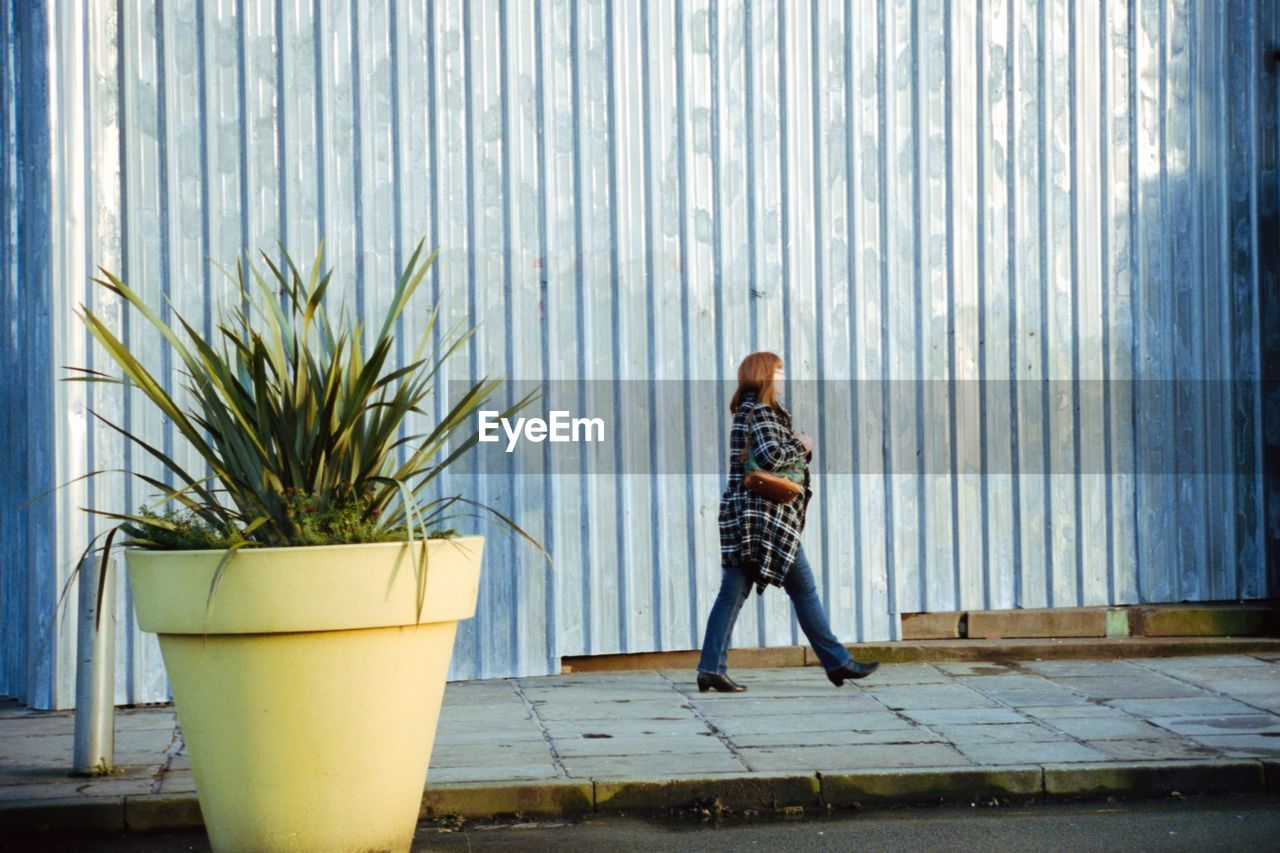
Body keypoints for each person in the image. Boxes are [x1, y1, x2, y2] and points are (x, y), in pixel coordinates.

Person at [696, 351, 879, 693]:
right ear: (765, 375)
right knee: (804, 589)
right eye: (778, 372)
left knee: (732, 593)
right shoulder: (763, 412)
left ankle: (710, 668)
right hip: (767, 522)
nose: (783, 377)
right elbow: (770, 457)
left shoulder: (745, 412)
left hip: (747, 518)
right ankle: (838, 662)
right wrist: (803, 443)